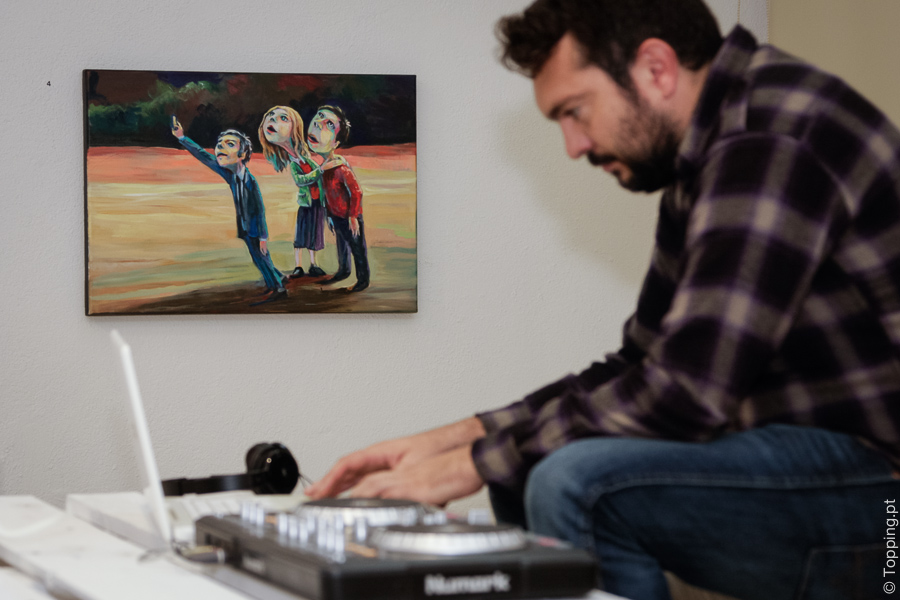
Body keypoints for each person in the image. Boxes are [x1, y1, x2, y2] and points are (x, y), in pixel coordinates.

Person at [307, 0, 900, 598]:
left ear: (656, 69)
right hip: (820, 460)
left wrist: (472, 464)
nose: (573, 145)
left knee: (572, 481)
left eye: (575, 110)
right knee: (525, 468)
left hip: (884, 493)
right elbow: (639, 365)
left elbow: (687, 393)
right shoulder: (711, 155)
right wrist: (452, 442)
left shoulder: (767, 141)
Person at [171, 118, 287, 304]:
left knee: (261, 257)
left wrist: (263, 237)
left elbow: (259, 211)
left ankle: (278, 288)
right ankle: (277, 278)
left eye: (230, 144)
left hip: (255, 230)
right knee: (258, 258)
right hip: (245, 229)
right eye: (220, 144)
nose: (220, 148)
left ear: (242, 154)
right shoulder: (230, 174)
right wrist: (182, 137)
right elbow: (203, 156)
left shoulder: (250, 182)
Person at [258, 106, 328, 279]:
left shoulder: (307, 158)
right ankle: (298, 266)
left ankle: (314, 265)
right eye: (270, 116)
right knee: (301, 236)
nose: (273, 119)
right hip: (306, 203)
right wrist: (319, 171)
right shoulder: (295, 164)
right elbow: (300, 180)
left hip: (317, 203)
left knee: (315, 235)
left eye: (283, 118)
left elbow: (321, 179)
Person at [308, 105, 370, 293]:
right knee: (342, 245)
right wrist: (328, 215)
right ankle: (343, 271)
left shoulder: (341, 168)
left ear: (336, 143)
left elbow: (357, 192)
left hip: (350, 217)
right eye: (319, 116)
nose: (318, 123)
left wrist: (353, 216)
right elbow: (327, 194)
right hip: (335, 215)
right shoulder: (325, 167)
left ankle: (362, 280)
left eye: (329, 124)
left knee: (356, 248)